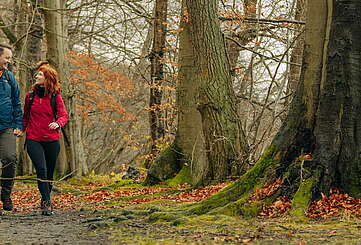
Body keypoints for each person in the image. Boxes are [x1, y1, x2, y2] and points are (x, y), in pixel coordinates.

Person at [23, 62, 68, 215]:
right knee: (41, 169)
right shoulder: (30, 97)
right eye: (37, 74)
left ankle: (45, 198)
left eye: (40, 75)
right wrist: (20, 130)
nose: (36, 76)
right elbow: (25, 117)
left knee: (49, 172)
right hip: (33, 138)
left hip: (51, 140)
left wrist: (57, 123)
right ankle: (47, 202)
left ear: (47, 78)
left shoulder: (56, 97)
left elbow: (63, 115)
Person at [0, 44, 23, 212]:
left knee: (10, 158)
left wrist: (18, 125)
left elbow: (16, 102)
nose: (9, 61)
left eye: (10, 58)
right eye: (6, 57)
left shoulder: (9, 77)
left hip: (7, 126)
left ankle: (6, 194)